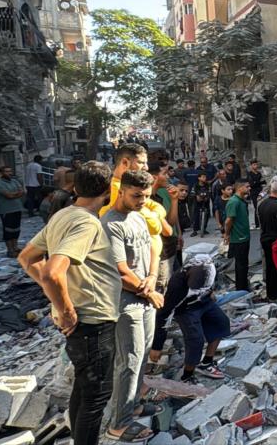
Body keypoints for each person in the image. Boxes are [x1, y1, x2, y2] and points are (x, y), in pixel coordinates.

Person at [17, 162, 119, 445]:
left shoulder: (64, 215)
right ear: (108, 190)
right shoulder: (86, 222)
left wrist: (58, 299)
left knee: (84, 391)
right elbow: (51, 271)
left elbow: (27, 258)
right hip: (92, 321)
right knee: (96, 395)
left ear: (75, 188)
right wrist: (65, 309)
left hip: (84, 321)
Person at [102, 170, 163, 443]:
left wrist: (151, 278)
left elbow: (152, 246)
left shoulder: (138, 216)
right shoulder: (110, 224)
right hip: (126, 303)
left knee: (142, 356)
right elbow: (120, 271)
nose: (141, 201)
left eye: (146, 196)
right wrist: (147, 291)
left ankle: (134, 405)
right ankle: (119, 424)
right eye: (136, 195)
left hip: (145, 295)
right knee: (129, 361)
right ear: (122, 191)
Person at [150, 255, 230, 383]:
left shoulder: (209, 265)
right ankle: (186, 376)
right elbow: (164, 315)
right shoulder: (176, 286)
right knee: (195, 340)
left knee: (221, 323)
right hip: (186, 310)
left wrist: (210, 293)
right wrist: (157, 346)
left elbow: (213, 282)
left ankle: (207, 363)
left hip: (205, 302)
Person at [258, 181, 277, 302]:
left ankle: (271, 293)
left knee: (269, 267)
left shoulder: (262, 204)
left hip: (264, 238)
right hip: (276, 241)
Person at [223, 179, 252, 292]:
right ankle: (240, 289)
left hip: (244, 237)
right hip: (238, 239)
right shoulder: (233, 202)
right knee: (240, 266)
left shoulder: (241, 200)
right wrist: (227, 234)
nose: (249, 189)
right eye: (247, 187)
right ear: (240, 188)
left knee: (244, 265)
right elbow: (228, 221)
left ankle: (244, 286)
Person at [0, 165, 25, 257]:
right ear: (1, 173)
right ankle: (10, 250)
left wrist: (14, 194)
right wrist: (16, 194)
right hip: (6, 210)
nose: (9, 173)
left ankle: (15, 247)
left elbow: (22, 192)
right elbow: (8, 196)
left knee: (16, 229)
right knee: (8, 231)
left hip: (17, 208)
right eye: (7, 171)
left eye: (10, 171)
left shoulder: (14, 181)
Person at [191, 172, 212, 236]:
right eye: (203, 177)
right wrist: (196, 196)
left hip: (206, 202)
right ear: (199, 178)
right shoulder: (195, 185)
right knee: (196, 216)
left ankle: (204, 229)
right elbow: (192, 193)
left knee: (206, 215)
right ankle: (195, 230)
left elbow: (210, 192)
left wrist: (207, 197)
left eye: (205, 177)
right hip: (197, 202)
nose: (204, 178)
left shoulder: (207, 185)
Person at [247, 159, 265, 227]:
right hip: (254, 193)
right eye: (254, 165)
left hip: (260, 192)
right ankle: (257, 224)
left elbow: (263, 181)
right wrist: (258, 182)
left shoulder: (259, 173)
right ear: (251, 166)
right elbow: (252, 184)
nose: (256, 166)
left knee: (261, 207)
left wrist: (257, 182)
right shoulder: (249, 174)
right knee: (256, 207)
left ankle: (261, 223)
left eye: (256, 164)